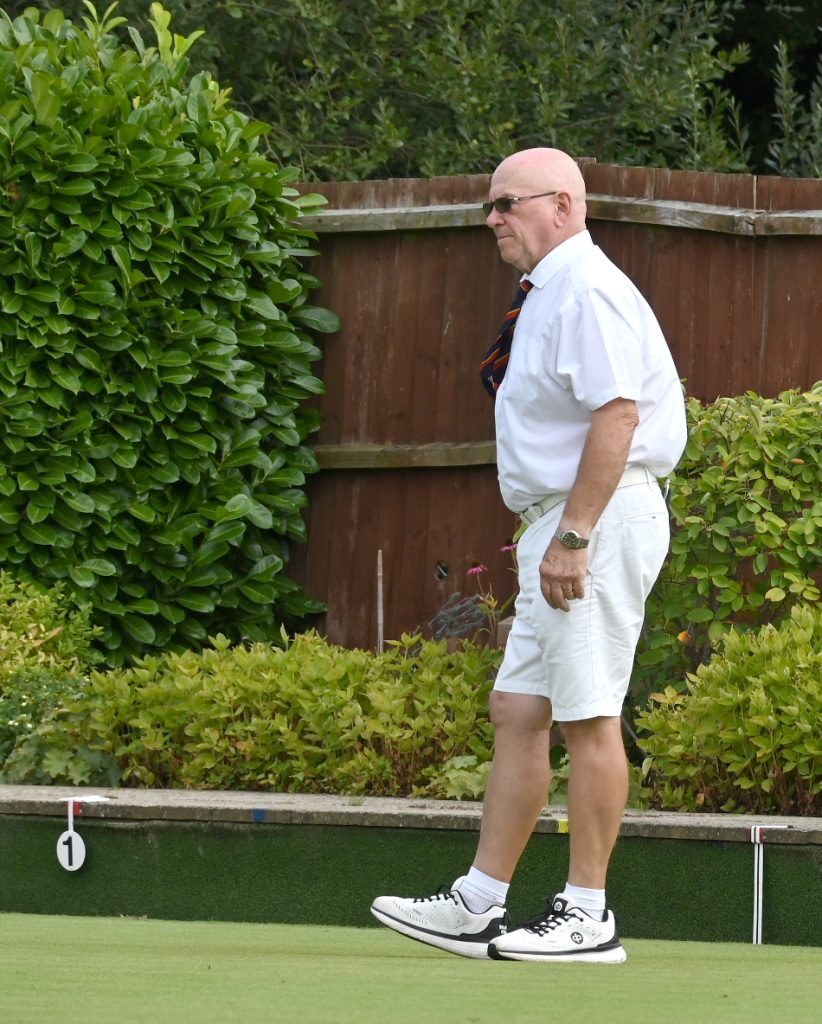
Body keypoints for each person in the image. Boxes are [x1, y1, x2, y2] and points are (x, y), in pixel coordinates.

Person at [370, 147, 687, 963]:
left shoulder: (587, 290)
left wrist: (575, 536)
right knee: (519, 709)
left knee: (588, 713)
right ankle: (479, 903)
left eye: (507, 203)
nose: (492, 218)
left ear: (563, 206)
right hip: (562, 521)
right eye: (492, 204)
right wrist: (557, 533)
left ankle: (589, 915)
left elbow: (618, 416)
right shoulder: (549, 292)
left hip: (595, 520)